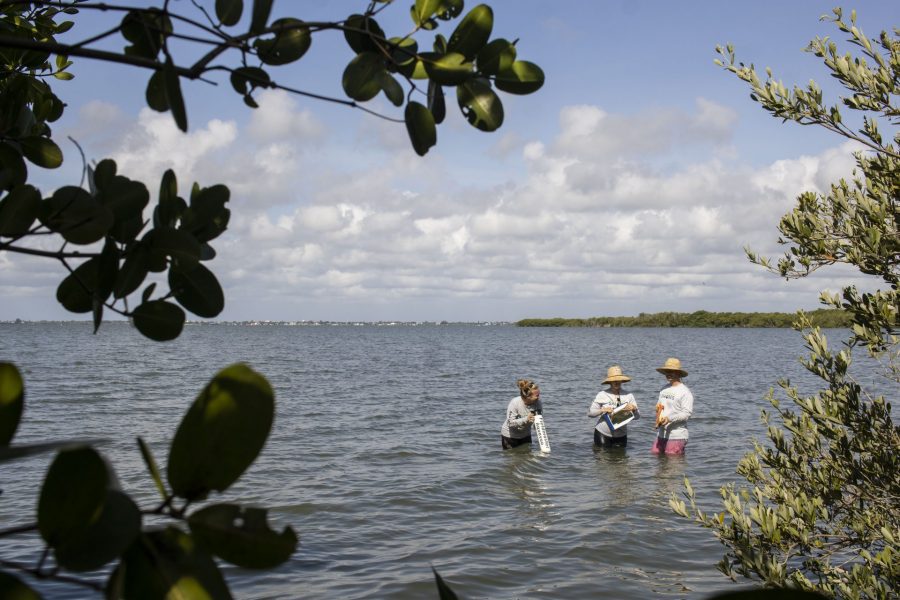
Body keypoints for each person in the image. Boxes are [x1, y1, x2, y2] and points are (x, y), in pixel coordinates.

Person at [588, 365, 640, 447]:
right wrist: (602, 410)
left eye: (618, 380)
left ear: (622, 381)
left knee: (621, 459)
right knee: (603, 458)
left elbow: (637, 417)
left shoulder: (629, 395)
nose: (616, 382)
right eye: (614, 380)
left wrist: (634, 409)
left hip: (621, 435)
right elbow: (590, 413)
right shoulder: (602, 394)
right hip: (602, 434)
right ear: (609, 382)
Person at [652, 357, 694, 455]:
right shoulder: (664, 389)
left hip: (677, 435)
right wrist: (657, 418)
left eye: (672, 371)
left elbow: (687, 414)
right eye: (667, 371)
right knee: (656, 459)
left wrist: (669, 418)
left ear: (678, 373)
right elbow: (660, 407)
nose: (668, 374)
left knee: (672, 468)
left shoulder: (685, 392)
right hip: (661, 434)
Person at [500, 379, 543, 450]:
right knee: (513, 459)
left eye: (539, 395)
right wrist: (526, 419)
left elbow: (538, 422)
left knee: (527, 458)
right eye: (536, 396)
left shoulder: (538, 403)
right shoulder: (515, 403)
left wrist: (541, 436)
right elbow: (510, 423)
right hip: (510, 436)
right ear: (528, 397)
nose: (539, 398)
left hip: (526, 435)